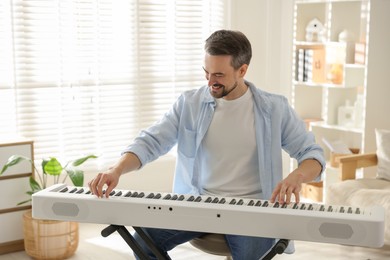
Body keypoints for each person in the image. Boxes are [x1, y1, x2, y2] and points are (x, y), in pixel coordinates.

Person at [88, 29, 325, 260]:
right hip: (197, 203)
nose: (210, 81)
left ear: (242, 70)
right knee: (143, 244)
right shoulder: (189, 104)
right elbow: (151, 141)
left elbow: (312, 154)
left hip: (252, 210)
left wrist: (297, 176)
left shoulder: (274, 109)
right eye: (206, 72)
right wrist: (116, 169)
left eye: (219, 75)